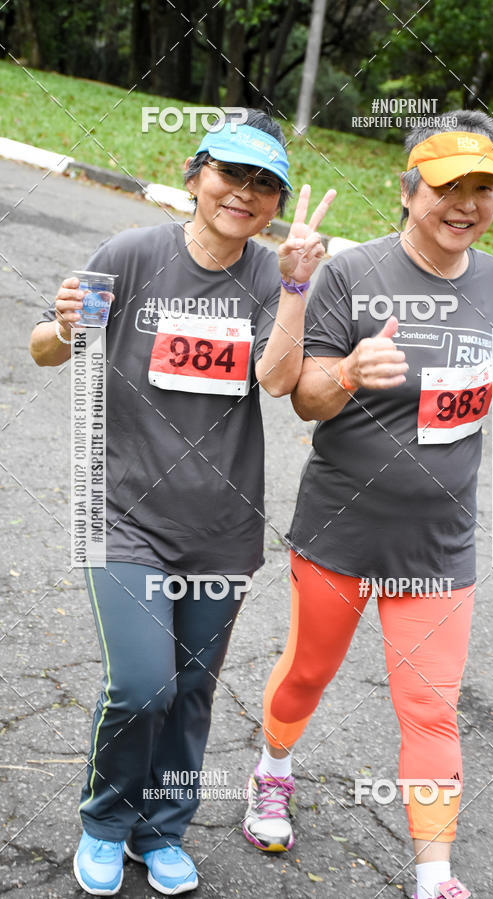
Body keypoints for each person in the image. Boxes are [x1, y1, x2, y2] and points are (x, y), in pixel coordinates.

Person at [242, 110, 493, 899]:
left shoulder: (491, 279)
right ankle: (272, 770)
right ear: (407, 188)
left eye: (481, 189)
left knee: (431, 707)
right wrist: (351, 369)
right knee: (307, 675)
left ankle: (435, 874)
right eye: (446, 186)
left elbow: (475, 384)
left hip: (439, 540)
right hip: (342, 527)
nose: (464, 204)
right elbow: (305, 401)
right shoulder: (353, 275)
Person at [29, 108, 335, 896]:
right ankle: (104, 820)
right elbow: (45, 345)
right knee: (142, 683)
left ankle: (158, 829)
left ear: (277, 203)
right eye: (231, 174)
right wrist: (63, 326)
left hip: (221, 526)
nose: (245, 194)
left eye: (265, 185)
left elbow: (275, 378)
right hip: (124, 512)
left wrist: (298, 284)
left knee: (192, 689)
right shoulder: (134, 253)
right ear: (197, 174)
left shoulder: (270, 275)